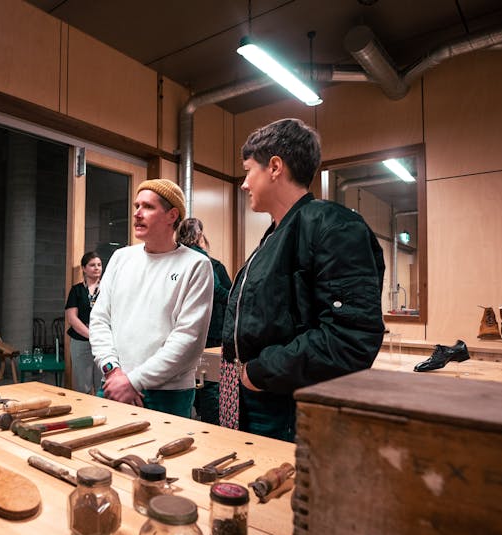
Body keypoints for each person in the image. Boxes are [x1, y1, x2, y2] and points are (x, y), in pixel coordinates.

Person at [222, 118, 384, 441]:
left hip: (289, 409)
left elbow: (349, 340)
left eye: (248, 170)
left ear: (275, 167)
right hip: (255, 400)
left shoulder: (332, 226)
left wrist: (259, 371)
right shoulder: (273, 236)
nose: (243, 183)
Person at [90, 179, 214, 418]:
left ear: (172, 215)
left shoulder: (196, 265)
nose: (137, 213)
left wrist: (134, 381)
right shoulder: (120, 258)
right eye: (136, 205)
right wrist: (112, 371)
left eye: (147, 206)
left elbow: (188, 339)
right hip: (114, 384)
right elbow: (99, 319)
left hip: (167, 394)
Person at [175, 218, 231, 425]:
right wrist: (237, 300)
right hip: (209, 329)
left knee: (188, 375)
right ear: (199, 235)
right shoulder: (205, 261)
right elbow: (217, 291)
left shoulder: (173, 257)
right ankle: (210, 425)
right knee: (208, 380)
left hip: (181, 328)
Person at [65, 251, 103, 394]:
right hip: (81, 341)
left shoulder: (108, 289)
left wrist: (98, 337)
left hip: (103, 340)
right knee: (83, 386)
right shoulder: (77, 290)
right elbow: (72, 318)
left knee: (103, 385)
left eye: (99, 265)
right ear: (84, 268)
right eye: (92, 265)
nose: (97, 268)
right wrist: (91, 335)